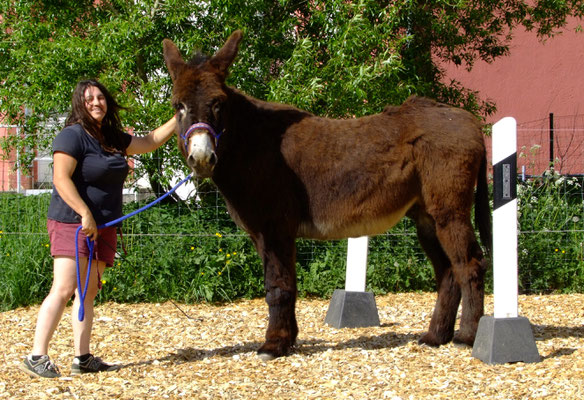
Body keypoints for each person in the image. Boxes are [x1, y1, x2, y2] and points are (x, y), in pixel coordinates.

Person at [19, 79, 177, 378]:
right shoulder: (72, 136)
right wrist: (84, 213)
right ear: (80, 103)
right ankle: (37, 355)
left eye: (101, 98)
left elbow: (149, 142)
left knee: (88, 292)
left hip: (105, 224)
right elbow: (61, 180)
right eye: (89, 98)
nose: (96, 103)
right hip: (73, 223)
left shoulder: (111, 137)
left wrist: (180, 118)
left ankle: (82, 358)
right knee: (64, 288)